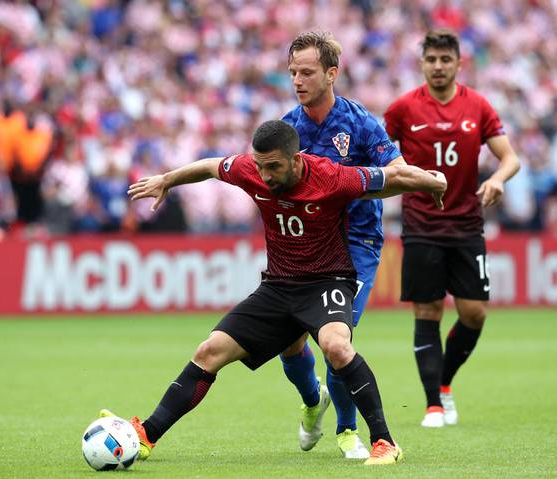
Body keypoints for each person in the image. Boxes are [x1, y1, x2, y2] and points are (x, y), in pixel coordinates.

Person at [113, 120, 448, 466]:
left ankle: (385, 442)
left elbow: (391, 177)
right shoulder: (253, 170)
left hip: (327, 282)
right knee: (209, 350)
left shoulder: (331, 177)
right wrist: (167, 180)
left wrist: (434, 181)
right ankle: (147, 433)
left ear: (296, 159)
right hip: (278, 286)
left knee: (336, 345)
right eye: (260, 166)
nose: (266, 175)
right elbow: (212, 166)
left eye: (273, 166)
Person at [383, 29, 520, 428]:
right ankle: (433, 406)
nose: (438, 67)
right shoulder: (403, 109)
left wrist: (498, 179)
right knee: (427, 311)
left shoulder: (477, 106)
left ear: (459, 64)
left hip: (466, 225)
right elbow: (378, 153)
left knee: (474, 314)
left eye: (446, 60)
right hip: (421, 225)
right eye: (431, 60)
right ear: (422, 64)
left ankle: (444, 384)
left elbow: (510, 158)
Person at [279, 31, 406, 458]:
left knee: (337, 339)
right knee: (289, 341)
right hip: (307, 244)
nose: (297, 80)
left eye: (307, 72)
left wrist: (427, 180)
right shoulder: (287, 130)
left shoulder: (363, 124)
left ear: (332, 73)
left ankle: (347, 430)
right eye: (293, 71)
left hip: (357, 242)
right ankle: (314, 400)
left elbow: (398, 171)